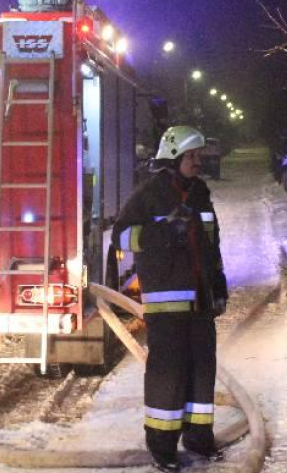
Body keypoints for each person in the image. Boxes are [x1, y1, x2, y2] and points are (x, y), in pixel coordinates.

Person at [111, 125, 228, 472]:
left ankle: (199, 439)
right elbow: (121, 237)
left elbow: (211, 245)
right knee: (168, 378)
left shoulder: (200, 193)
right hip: (166, 306)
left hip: (200, 304)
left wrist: (218, 285)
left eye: (199, 155)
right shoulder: (150, 194)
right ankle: (162, 447)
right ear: (174, 157)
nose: (198, 161)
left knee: (201, 374)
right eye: (192, 155)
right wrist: (162, 232)